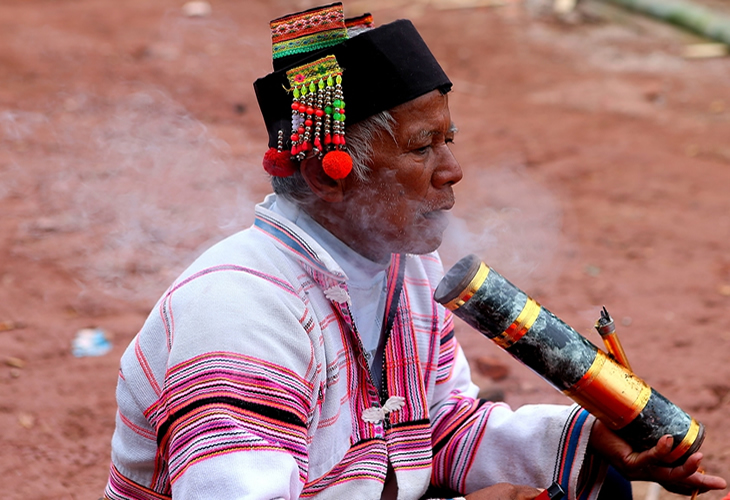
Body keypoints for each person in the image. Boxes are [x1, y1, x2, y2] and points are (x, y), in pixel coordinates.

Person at [103, 3, 726, 499]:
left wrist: (588, 440)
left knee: (599, 483)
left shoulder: (407, 270)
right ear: (329, 175)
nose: (453, 170)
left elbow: (439, 430)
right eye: (422, 147)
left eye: (449, 139)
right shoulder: (240, 310)